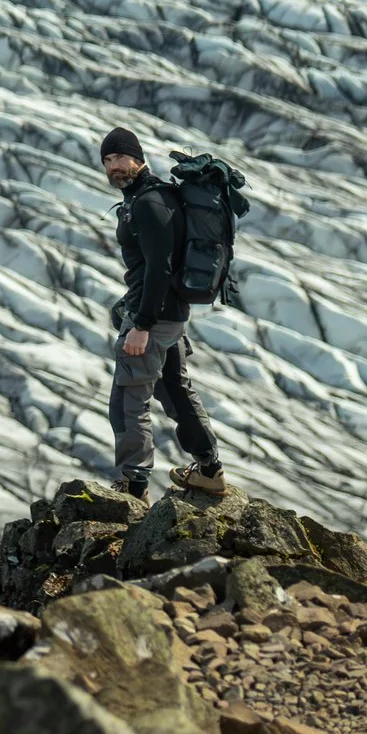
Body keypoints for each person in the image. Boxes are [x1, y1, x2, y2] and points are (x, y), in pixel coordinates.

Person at [100, 126, 227, 500]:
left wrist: (141, 324)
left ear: (137, 158)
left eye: (120, 157)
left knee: (127, 399)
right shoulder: (155, 197)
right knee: (174, 388)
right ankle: (209, 470)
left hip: (152, 319)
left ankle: (134, 485)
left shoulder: (148, 204)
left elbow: (160, 267)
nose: (114, 167)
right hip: (170, 315)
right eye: (107, 161)